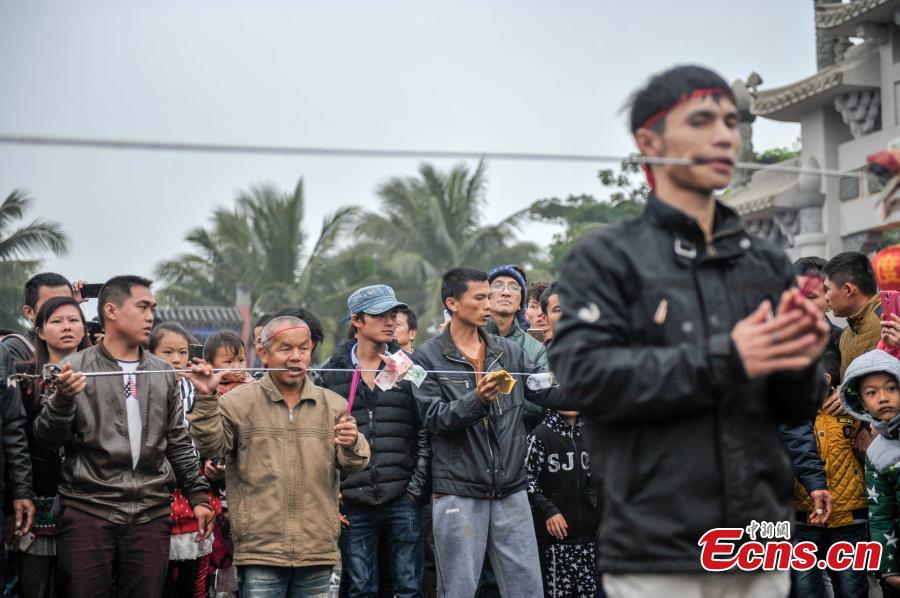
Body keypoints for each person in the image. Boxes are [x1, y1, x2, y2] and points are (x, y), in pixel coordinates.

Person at [549, 65, 828, 598]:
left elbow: (794, 407)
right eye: (701, 121)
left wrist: (800, 358)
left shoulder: (764, 261)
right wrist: (730, 358)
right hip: (658, 548)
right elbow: (584, 378)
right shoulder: (607, 258)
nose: (724, 135)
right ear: (649, 140)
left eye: (730, 121)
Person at [33, 275, 213, 598]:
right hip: (88, 508)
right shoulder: (73, 368)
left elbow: (178, 441)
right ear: (111, 311)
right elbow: (47, 440)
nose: (150, 317)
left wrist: (198, 496)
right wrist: (62, 400)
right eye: (142, 307)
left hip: (150, 511)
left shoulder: (163, 372)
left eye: (152, 308)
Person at [188, 315, 371, 597]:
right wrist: (205, 399)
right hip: (260, 548)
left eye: (304, 348)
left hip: (316, 548)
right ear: (263, 352)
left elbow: (353, 464)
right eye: (286, 349)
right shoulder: (237, 402)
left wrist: (352, 443)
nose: (296, 357)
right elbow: (211, 446)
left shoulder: (332, 404)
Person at [412, 267, 554, 598]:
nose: (488, 303)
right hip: (458, 491)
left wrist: (592, 388)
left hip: (511, 488)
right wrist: (477, 399)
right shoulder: (426, 357)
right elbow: (433, 418)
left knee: (527, 589)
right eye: (480, 297)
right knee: (458, 589)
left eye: (489, 296)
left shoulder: (509, 351)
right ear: (453, 303)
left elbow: (542, 389)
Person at [319, 285, 429, 598]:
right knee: (359, 589)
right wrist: (336, 490)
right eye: (380, 314)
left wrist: (415, 489)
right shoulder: (330, 372)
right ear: (356, 320)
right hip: (353, 501)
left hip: (403, 497)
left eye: (393, 314)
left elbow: (426, 428)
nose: (390, 321)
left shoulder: (410, 367)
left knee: (409, 588)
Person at [13, 297, 90, 598]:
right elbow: (15, 436)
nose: (67, 327)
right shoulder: (24, 376)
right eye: (56, 321)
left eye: (73, 320)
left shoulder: (101, 374)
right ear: (40, 331)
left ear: (84, 329)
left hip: (88, 499)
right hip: (37, 495)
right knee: (34, 586)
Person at [783, 349, 868, 597]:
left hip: (849, 518)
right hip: (803, 517)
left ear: (826, 379)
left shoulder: (853, 411)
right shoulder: (788, 413)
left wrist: (865, 425)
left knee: (852, 588)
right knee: (806, 588)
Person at [149, 322, 220, 598]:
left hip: (190, 487)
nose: (177, 359)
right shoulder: (144, 387)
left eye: (182, 352)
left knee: (192, 579)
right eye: (167, 352)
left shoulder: (196, 387)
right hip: (157, 490)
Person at [839, 349, 900, 596]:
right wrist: (888, 569)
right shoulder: (876, 453)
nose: (883, 398)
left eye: (891, 388)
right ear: (862, 403)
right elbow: (881, 514)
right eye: (872, 393)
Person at [526, 408, 600, 598]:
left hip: (588, 539)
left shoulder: (590, 435)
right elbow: (526, 479)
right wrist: (548, 510)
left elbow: (598, 481)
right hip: (554, 540)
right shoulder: (540, 435)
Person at [483, 265, 549, 431]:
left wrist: (487, 401)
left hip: (518, 441)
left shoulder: (535, 348)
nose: (506, 292)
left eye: (514, 287)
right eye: (497, 285)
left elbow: (539, 404)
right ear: (486, 297)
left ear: (521, 303)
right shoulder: (469, 339)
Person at [823, 252, 881, 378]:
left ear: (848, 290)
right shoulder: (845, 336)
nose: (826, 297)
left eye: (828, 289)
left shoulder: (888, 323)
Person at [204, 330, 254, 396]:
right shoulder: (214, 390)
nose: (237, 367)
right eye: (228, 362)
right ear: (210, 366)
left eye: (241, 360)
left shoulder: (251, 380)